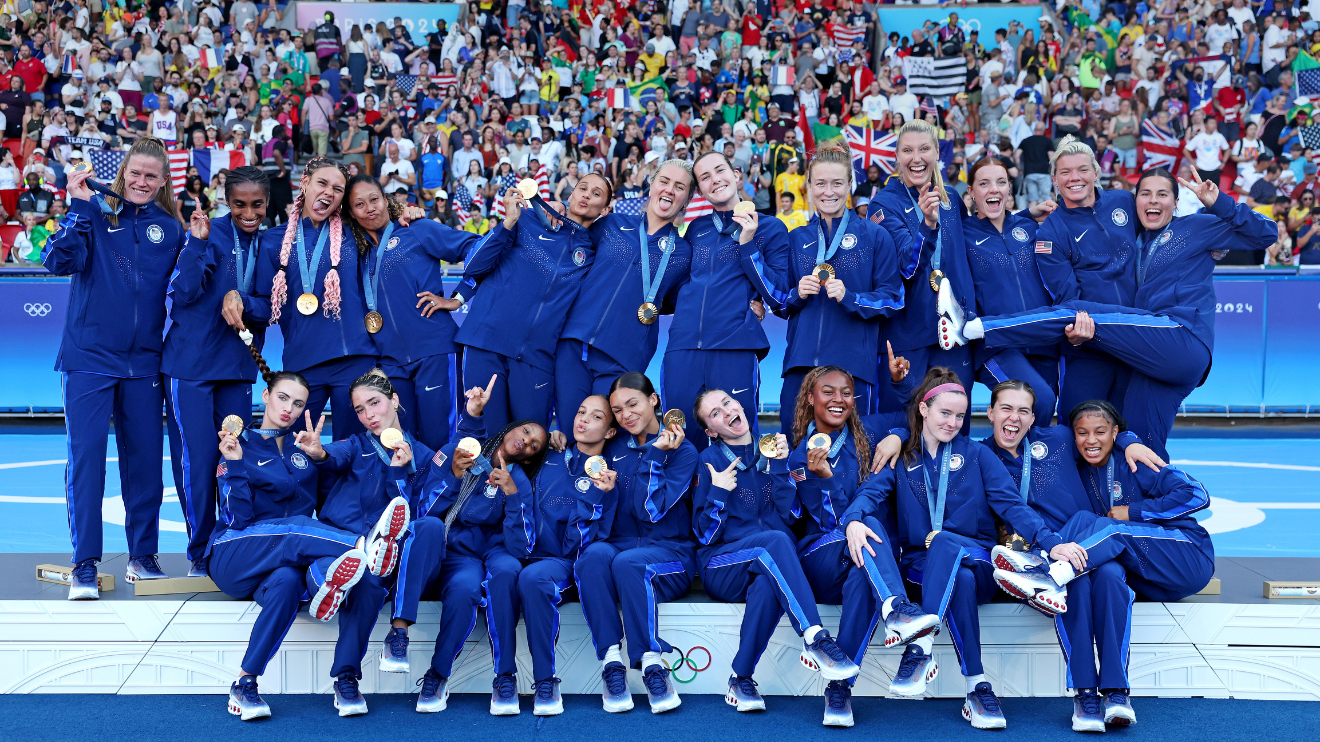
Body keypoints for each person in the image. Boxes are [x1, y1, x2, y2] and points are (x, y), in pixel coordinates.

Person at [951, 168, 1278, 459]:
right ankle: (1161, 507)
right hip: (1154, 359)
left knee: (1079, 314)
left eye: (1162, 194)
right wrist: (1027, 212)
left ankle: (976, 329)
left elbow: (1267, 233)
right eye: (1145, 194)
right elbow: (999, 228)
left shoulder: (1198, 226)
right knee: (1139, 444)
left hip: (1180, 334)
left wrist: (1219, 201)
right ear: (1133, 204)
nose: (1153, 200)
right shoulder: (1137, 240)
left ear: (1177, 203)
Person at [840, 369, 1082, 730]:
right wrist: (853, 519)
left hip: (979, 558)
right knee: (957, 578)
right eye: (945, 413)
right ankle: (977, 688)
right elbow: (870, 493)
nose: (953, 423)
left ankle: (919, 650)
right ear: (924, 410)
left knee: (949, 545)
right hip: (922, 569)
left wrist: (1051, 542)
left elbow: (1013, 507)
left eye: (960, 416)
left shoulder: (978, 456)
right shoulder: (903, 456)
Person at [992, 400, 1215, 725]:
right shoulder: (1075, 469)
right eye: (1082, 433)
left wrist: (1135, 510)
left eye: (1101, 432)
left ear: (1115, 432)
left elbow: (1197, 496)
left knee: (1108, 528)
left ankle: (1046, 573)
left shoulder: (1134, 462)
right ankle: (1105, 694)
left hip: (1186, 556)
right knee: (1101, 574)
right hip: (1139, 570)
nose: (1090, 440)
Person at [209, 368, 408, 721]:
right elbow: (237, 520)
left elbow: (327, 507)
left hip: (279, 567)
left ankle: (245, 683)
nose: (289, 408)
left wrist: (323, 458)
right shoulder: (240, 444)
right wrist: (236, 464)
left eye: (298, 403)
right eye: (283, 397)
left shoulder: (303, 456)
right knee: (297, 529)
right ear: (266, 395)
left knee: (289, 582)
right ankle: (365, 547)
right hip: (235, 554)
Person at [45, 138, 190, 597]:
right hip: (89, 358)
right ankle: (84, 564)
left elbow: (188, 290)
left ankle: (142, 556)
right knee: (86, 461)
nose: (142, 182)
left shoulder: (170, 230)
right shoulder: (94, 216)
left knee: (146, 464)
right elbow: (56, 261)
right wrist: (78, 207)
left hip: (146, 362)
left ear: (163, 181)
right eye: (135, 173)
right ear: (122, 173)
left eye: (152, 175)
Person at [980, 381, 1162, 732]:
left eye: (1023, 411)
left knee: (1110, 578)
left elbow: (1098, 436)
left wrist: (1129, 440)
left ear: (1034, 418)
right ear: (989, 412)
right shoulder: (979, 456)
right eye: (1005, 408)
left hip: (1088, 545)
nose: (1013, 418)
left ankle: (1117, 691)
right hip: (1037, 554)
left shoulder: (1060, 439)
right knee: (1075, 588)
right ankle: (1084, 695)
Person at [691, 388, 863, 716]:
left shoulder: (773, 450)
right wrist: (717, 493)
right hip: (723, 564)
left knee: (769, 583)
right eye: (715, 413)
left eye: (727, 403)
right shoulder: (708, 461)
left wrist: (781, 468)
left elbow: (793, 516)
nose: (726, 412)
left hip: (768, 561)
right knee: (775, 543)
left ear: (741, 405)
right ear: (712, 431)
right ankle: (814, 636)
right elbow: (704, 535)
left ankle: (740, 678)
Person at [786, 365, 939, 726]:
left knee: (863, 580)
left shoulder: (870, 432)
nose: (839, 399)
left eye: (846, 392)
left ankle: (839, 688)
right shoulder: (798, 459)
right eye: (828, 392)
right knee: (867, 524)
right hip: (822, 557)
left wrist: (899, 435)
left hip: (865, 558)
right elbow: (829, 523)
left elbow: (918, 412)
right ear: (810, 398)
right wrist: (822, 481)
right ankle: (897, 608)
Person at [291, 369, 446, 716]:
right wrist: (318, 453)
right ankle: (326, 591)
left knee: (389, 563)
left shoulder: (421, 456)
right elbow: (333, 456)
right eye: (360, 409)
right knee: (351, 572)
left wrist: (398, 471)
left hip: (387, 557)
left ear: (394, 400)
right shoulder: (356, 444)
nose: (369, 415)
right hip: (345, 543)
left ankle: (356, 669)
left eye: (374, 403)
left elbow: (415, 513)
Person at [405, 375, 549, 716]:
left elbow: (520, 548)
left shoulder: (521, 483)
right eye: (526, 433)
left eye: (534, 447)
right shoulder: (463, 450)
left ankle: (483, 677)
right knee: (465, 584)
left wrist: (513, 497)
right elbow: (426, 512)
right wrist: (454, 477)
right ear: (511, 428)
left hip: (490, 554)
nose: (527, 443)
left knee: (494, 576)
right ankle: (430, 667)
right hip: (453, 552)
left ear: (529, 460)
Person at [162, 167, 273, 577]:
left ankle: (230, 543)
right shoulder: (206, 231)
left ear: (266, 203)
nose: (248, 212)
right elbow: (183, 292)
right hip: (189, 364)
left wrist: (244, 300)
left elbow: (271, 306)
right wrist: (197, 242)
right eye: (239, 204)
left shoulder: (272, 242)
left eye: (256, 204)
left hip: (238, 367)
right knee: (197, 458)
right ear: (227, 200)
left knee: (233, 455)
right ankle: (199, 553)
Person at [573, 372, 698, 714]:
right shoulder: (611, 447)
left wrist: (656, 456)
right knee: (591, 557)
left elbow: (651, 511)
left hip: (669, 555)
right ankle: (612, 662)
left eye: (633, 404)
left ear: (653, 400)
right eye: (618, 410)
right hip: (619, 552)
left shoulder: (683, 450)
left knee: (631, 563)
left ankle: (652, 662)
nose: (626, 414)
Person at [452, 174, 613, 433]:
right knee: (483, 437)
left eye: (596, 193)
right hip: (486, 343)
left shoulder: (595, 252)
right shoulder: (525, 220)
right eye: (581, 188)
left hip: (536, 358)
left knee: (529, 444)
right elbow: (474, 266)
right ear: (569, 195)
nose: (585, 195)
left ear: (605, 209)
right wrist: (507, 223)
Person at [555, 160, 693, 445]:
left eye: (679, 187)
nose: (669, 190)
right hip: (574, 343)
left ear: (687, 199)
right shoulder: (612, 224)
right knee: (570, 434)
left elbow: (678, 300)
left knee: (609, 439)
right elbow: (572, 254)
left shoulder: (683, 252)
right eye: (664, 181)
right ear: (651, 184)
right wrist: (562, 214)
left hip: (623, 356)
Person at [343, 174, 479, 451]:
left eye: (374, 199)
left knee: (443, 440)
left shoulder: (416, 229)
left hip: (435, 350)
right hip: (390, 361)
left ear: (386, 200)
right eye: (359, 204)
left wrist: (458, 298)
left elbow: (477, 246)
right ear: (351, 213)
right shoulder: (354, 250)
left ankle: (448, 495)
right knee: (400, 442)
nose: (370, 208)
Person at [664, 152, 790, 448]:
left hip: (735, 344)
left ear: (736, 174)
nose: (714, 179)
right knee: (679, 440)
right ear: (701, 190)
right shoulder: (696, 229)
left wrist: (748, 245)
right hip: (683, 345)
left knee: (739, 439)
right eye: (705, 177)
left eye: (719, 170)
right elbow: (681, 284)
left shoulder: (770, 227)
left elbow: (781, 295)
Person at [777, 141, 904, 430]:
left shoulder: (875, 236)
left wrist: (851, 297)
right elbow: (780, 303)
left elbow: (893, 298)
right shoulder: (796, 238)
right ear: (809, 186)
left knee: (854, 456)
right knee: (795, 453)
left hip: (853, 367)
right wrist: (796, 294)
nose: (828, 191)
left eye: (837, 183)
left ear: (849, 184)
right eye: (820, 183)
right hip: (800, 365)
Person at [255, 157, 378, 441]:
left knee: (354, 452)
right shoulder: (273, 241)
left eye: (337, 189)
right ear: (305, 182)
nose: (328, 192)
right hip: (302, 362)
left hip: (354, 359)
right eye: (322, 183)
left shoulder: (355, 231)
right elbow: (263, 304)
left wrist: (405, 210)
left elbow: (385, 219)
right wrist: (236, 298)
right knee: (298, 453)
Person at [513, 394, 620, 715]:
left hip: (573, 564)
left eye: (596, 417)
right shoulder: (548, 454)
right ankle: (527, 678)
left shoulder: (608, 478)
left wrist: (596, 497)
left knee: (548, 573)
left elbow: (579, 545)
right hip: (534, 558)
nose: (583, 419)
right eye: (581, 411)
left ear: (611, 432)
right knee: (523, 575)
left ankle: (564, 677)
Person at [870, 120, 975, 421]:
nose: (916, 158)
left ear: (937, 153)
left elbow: (965, 251)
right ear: (897, 157)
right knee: (905, 424)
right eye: (908, 151)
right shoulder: (883, 203)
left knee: (955, 422)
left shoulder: (952, 198)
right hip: (909, 332)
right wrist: (927, 226)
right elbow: (906, 265)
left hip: (954, 331)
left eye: (924, 149)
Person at [1031, 136, 1140, 418]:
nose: (1074, 178)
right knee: (1079, 433)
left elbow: (1161, 236)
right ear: (1054, 179)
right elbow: (1068, 299)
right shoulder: (1050, 233)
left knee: (1133, 432)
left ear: (1096, 172)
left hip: (1138, 338)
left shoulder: (1124, 201)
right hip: (1089, 347)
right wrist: (1081, 336)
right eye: (1065, 172)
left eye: (1082, 169)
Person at [961, 157, 1059, 423]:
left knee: (1039, 421)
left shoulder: (1029, 227)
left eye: (1001, 182)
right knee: (1038, 401)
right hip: (996, 345)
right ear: (971, 192)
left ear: (1009, 189)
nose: (994, 189)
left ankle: (1014, 465)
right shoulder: (961, 234)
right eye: (984, 183)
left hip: (1042, 341)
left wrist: (1027, 215)